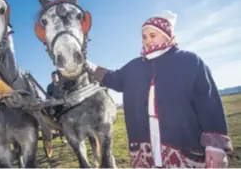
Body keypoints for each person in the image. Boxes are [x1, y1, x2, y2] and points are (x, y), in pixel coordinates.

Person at [86, 10, 233, 168]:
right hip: (144, 146)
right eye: (144, 37)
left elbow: (208, 103)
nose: (147, 40)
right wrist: (86, 64)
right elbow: (113, 78)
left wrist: (215, 146)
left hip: (184, 147)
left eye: (152, 35)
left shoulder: (190, 61)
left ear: (167, 34)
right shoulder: (134, 66)